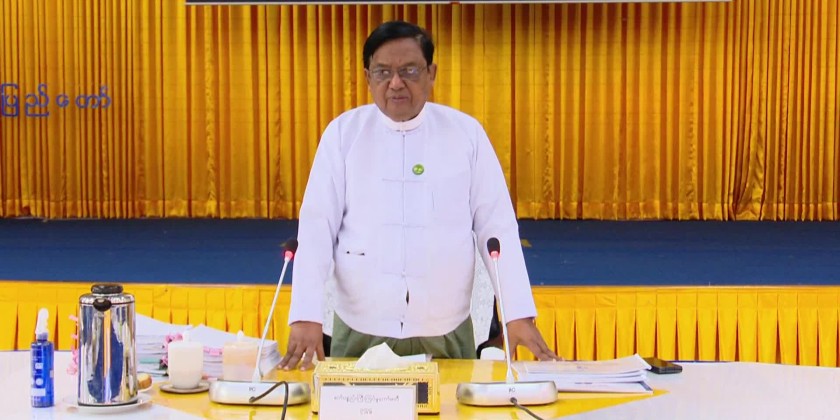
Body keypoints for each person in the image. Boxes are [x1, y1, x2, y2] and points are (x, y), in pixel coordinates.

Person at [279, 20, 559, 370]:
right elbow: (316, 229)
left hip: (444, 327)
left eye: (409, 70)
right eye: (383, 72)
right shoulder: (343, 135)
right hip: (362, 325)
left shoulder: (465, 134)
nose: (396, 83)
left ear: (431, 73)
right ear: (367, 78)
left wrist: (517, 312)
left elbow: (496, 228)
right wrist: (306, 314)